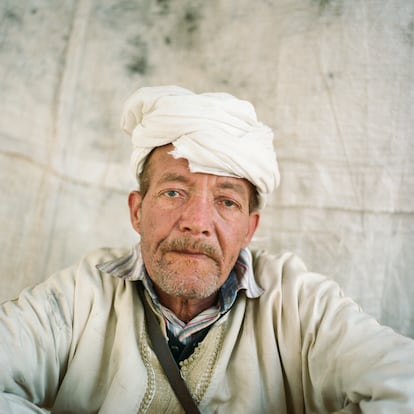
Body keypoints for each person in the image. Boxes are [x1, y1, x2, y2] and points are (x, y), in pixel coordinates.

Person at [1, 86, 413, 414]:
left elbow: (405, 387)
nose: (196, 221)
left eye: (227, 201)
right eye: (174, 191)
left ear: (250, 228)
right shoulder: (82, 293)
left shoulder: (300, 305)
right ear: (137, 210)